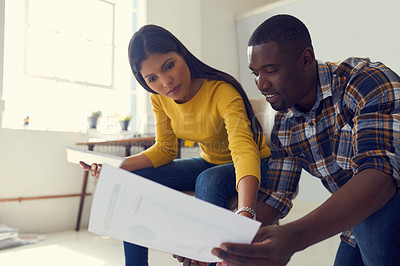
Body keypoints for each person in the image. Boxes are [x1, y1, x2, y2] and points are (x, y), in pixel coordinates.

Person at [81, 24, 279, 266]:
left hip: (256, 163)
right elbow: (165, 149)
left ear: (182, 54)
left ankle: (209, 258)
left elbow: (243, 151)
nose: (166, 82)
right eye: (152, 78)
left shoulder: (221, 91)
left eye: (169, 66)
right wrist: (116, 167)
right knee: (133, 178)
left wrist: (245, 213)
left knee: (208, 179)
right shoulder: (160, 98)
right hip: (210, 161)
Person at [212, 14, 400, 266]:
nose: (261, 83)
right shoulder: (283, 123)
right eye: (255, 73)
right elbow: (276, 196)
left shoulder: (366, 81)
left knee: (374, 232)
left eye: (270, 70)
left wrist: (293, 236)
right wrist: (220, 245)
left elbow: (379, 176)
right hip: (357, 225)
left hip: (390, 202)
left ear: (306, 59)